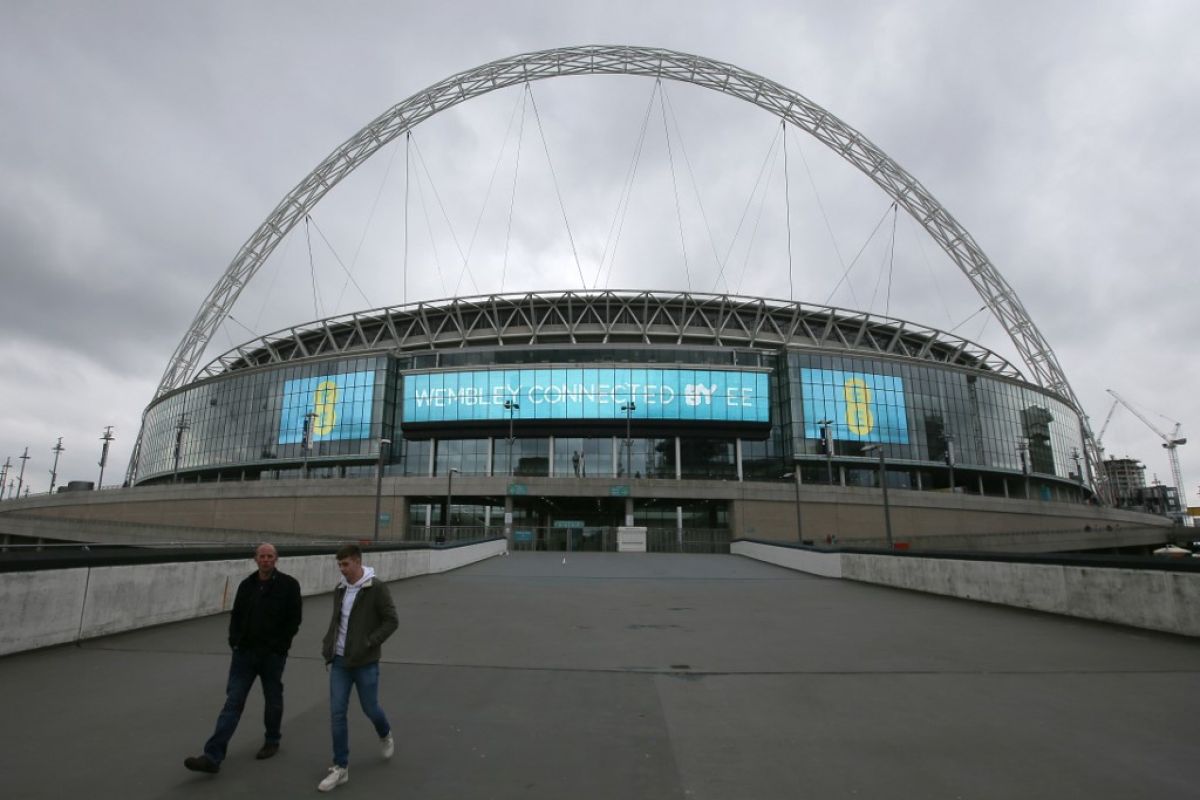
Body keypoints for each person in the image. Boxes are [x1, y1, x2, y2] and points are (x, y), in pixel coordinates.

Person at [184, 543, 303, 774]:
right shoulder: (247, 585)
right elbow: (236, 615)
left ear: (276, 559)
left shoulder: (289, 585)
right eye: (262, 556)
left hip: (272, 656)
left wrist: (280, 647)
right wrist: (235, 642)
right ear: (255, 559)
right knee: (233, 703)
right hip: (244, 654)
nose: (266, 560)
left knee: (273, 699)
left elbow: (293, 620)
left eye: (270, 556)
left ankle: (272, 740)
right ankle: (212, 756)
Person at [317, 544, 399, 792]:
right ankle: (340, 767)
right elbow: (338, 621)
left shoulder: (376, 588)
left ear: (357, 561)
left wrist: (369, 642)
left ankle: (384, 733)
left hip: (365, 662)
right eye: (339, 565)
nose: (342, 569)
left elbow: (391, 621)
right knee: (337, 712)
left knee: (370, 708)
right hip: (340, 661)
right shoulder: (340, 589)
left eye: (346, 564)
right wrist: (328, 644)